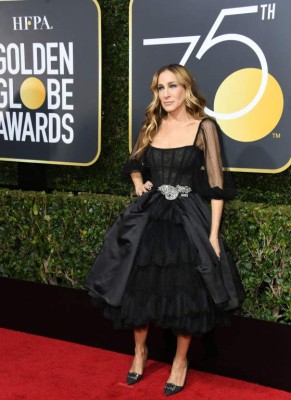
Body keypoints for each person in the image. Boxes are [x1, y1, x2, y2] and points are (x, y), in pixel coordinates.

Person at [84, 64, 245, 396]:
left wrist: (213, 235)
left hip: (188, 218)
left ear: (186, 89)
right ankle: (140, 353)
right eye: (160, 88)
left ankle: (179, 362)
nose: (167, 94)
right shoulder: (151, 124)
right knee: (138, 288)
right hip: (151, 215)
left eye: (173, 86)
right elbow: (135, 162)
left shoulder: (205, 127)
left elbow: (216, 186)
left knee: (186, 291)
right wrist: (139, 183)